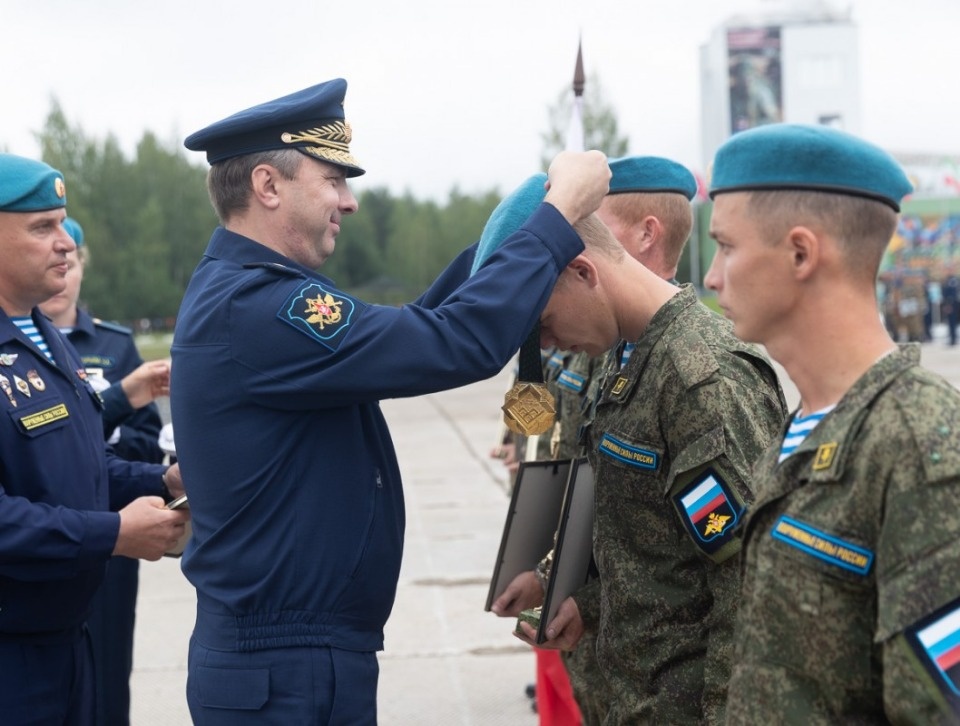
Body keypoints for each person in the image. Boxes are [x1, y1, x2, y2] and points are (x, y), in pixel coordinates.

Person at [169, 77, 611, 724]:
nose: (348, 203)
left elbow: (413, 333)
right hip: (285, 667)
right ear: (268, 186)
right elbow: (454, 344)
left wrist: (509, 238)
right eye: (333, 180)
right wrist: (556, 219)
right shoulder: (259, 306)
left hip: (294, 658)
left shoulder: (253, 297)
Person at [486, 171, 787, 723]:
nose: (547, 346)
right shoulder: (623, 361)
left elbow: (748, 582)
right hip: (628, 696)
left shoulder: (703, 377)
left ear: (583, 270)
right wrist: (584, 602)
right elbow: (655, 545)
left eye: (545, 323)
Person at [703, 122, 960, 722]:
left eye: (727, 246)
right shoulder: (804, 428)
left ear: (800, 253)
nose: (712, 276)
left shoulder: (921, 445)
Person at [492, 155, 704, 726]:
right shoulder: (611, 342)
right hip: (612, 668)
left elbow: (718, 572)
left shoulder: (692, 369)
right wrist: (552, 577)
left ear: (645, 232)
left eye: (595, 219)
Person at [0, 153, 188, 724]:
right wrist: (111, 534)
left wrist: (163, 479)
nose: (65, 243)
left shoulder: (47, 340)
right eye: (42, 227)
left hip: (64, 643)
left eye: (63, 223)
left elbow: (82, 466)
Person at [39, 216, 169, 726]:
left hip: (115, 530)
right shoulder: (24, 348)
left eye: (73, 259)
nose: (62, 267)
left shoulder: (115, 345)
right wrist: (111, 409)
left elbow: (143, 441)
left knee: (108, 669)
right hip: (40, 535)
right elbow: (45, 447)